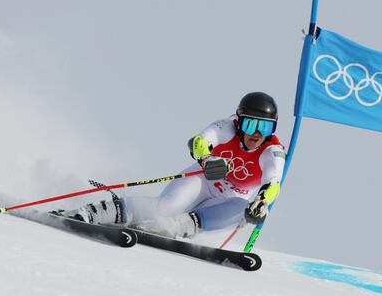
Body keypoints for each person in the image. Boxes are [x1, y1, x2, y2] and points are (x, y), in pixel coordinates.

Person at [67, 91, 286, 238]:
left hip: (226, 200)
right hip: (202, 181)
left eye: (266, 127)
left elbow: (273, 183)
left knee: (242, 208)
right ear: (239, 122)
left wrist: (262, 202)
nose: (257, 134)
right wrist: (207, 160)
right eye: (251, 125)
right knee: (165, 208)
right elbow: (199, 142)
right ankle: (95, 213)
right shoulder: (226, 127)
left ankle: (177, 227)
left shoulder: (272, 152)